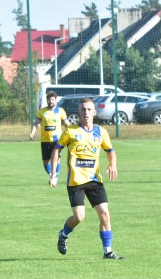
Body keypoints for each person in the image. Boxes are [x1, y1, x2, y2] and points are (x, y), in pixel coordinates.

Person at [49, 97, 122, 259]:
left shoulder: (101, 132)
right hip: (76, 182)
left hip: (95, 180)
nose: (86, 113)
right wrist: (54, 174)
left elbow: (110, 150)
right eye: (83, 109)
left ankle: (108, 251)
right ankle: (64, 234)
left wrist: (113, 164)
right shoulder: (71, 131)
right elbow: (56, 150)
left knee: (104, 213)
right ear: (78, 112)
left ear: (94, 112)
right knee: (79, 217)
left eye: (89, 110)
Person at [30, 91, 69, 177]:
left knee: (57, 159)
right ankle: (52, 175)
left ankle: (55, 176)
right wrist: (32, 132)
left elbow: (67, 124)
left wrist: (71, 133)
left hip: (57, 140)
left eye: (52, 99)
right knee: (46, 162)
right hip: (45, 140)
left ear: (55, 100)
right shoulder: (42, 111)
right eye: (49, 100)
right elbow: (36, 123)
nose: (51, 101)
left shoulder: (60, 111)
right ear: (47, 101)